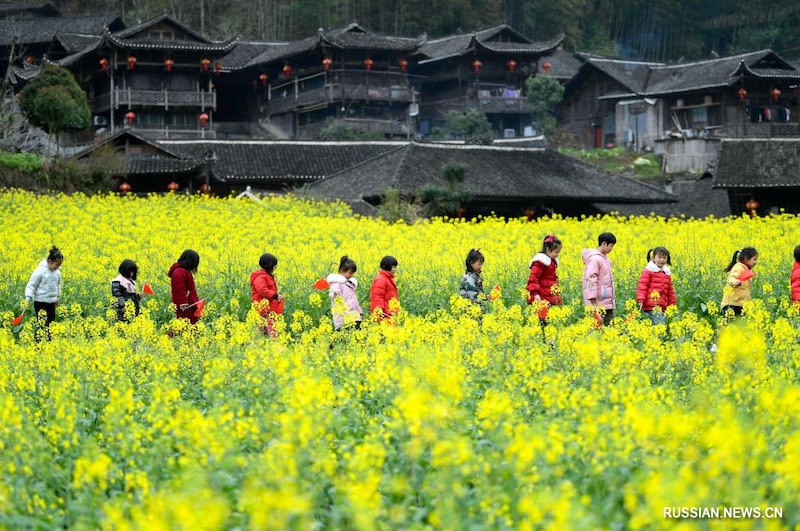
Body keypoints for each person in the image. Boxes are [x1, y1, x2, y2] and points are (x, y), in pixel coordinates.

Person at [24, 246, 63, 339]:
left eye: (59, 265)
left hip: (52, 303)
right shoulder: (40, 271)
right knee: (41, 324)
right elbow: (31, 285)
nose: (57, 267)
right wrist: (28, 297)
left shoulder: (57, 273)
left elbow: (58, 286)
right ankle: (38, 343)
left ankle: (49, 344)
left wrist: (57, 298)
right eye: (56, 265)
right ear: (50, 261)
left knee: (51, 324)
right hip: (40, 302)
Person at [635, 247, 676, 324]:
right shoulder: (649, 271)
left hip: (662, 306)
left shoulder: (666, 273)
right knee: (660, 326)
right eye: (659, 257)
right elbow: (642, 286)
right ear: (653, 258)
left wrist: (672, 305)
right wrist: (640, 299)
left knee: (658, 327)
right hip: (651, 305)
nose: (662, 260)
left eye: (664, 258)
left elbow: (670, 291)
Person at [582, 232, 616, 326]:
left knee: (610, 325)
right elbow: (591, 278)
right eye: (611, 246)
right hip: (598, 301)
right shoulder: (595, 259)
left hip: (607, 300)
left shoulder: (605, 258)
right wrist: (592, 297)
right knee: (598, 325)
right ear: (604, 244)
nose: (611, 249)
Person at [250, 253, 283, 335]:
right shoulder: (260, 277)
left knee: (265, 331)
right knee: (269, 331)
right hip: (263, 309)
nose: (276, 267)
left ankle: (263, 345)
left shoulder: (267, 276)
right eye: (275, 265)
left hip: (268, 309)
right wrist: (275, 295)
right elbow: (262, 290)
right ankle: (271, 345)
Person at [327, 256, 362, 330]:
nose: (351, 275)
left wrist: (360, 312)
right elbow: (333, 295)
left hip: (354, 317)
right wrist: (334, 293)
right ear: (342, 270)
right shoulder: (336, 283)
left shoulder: (350, 284)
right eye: (350, 273)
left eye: (352, 273)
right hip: (343, 319)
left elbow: (354, 300)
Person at [721, 247, 758, 317]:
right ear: (746, 259)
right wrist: (735, 282)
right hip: (731, 304)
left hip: (741, 304)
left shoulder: (747, 269)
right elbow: (731, 278)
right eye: (754, 259)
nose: (756, 262)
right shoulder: (738, 267)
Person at [527, 235, 563, 307]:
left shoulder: (552, 261)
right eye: (556, 252)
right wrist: (535, 294)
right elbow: (533, 279)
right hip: (541, 297)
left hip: (550, 295)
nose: (557, 255)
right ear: (548, 250)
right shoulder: (540, 262)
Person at [168, 249, 201, 324]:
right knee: (184, 326)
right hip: (186, 307)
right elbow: (179, 289)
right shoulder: (179, 272)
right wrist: (183, 303)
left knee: (190, 326)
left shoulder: (184, 271)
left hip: (190, 305)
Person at [370, 256, 399, 321]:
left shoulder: (388, 279)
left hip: (391, 315)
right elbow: (377, 298)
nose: (395, 269)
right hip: (385, 316)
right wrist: (379, 314)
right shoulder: (381, 280)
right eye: (393, 267)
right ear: (387, 267)